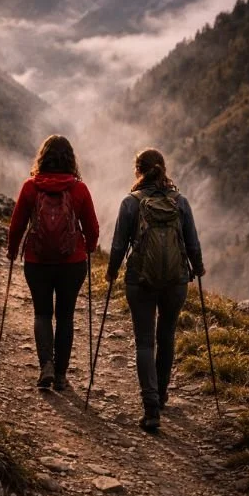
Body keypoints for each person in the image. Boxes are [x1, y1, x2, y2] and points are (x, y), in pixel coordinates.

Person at [106, 148, 205, 431]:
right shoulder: (180, 202)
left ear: (138, 171)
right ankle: (161, 395)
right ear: (163, 169)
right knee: (167, 336)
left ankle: (151, 410)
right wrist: (197, 268)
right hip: (175, 280)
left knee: (145, 342)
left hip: (141, 280)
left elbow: (117, 245)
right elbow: (192, 243)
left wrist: (112, 271)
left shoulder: (130, 203)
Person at [7, 135, 99, 391]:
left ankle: (45, 365)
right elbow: (92, 227)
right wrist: (88, 248)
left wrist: (12, 251)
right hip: (72, 262)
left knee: (42, 313)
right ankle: (60, 375)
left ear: (43, 157)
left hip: (37, 261)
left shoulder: (30, 187)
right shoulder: (79, 189)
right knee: (66, 316)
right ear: (71, 160)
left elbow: (16, 226)